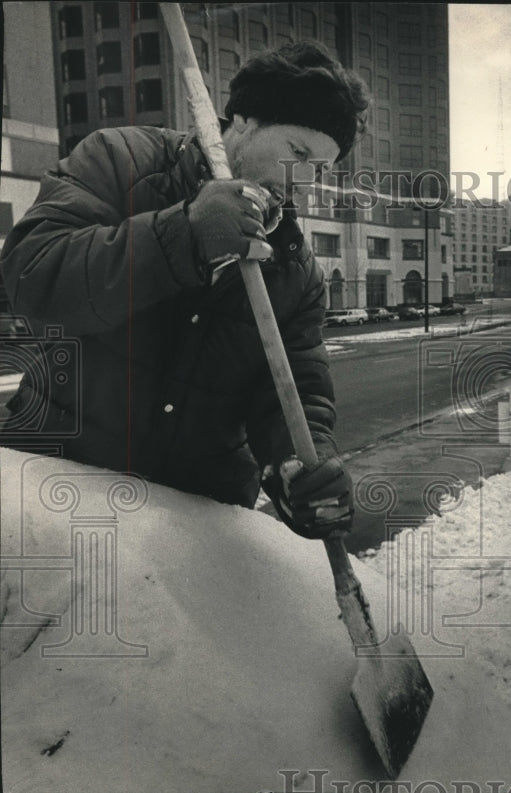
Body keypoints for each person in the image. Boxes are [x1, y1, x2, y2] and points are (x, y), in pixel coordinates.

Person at [0, 42, 369, 541]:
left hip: (191, 523)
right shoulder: (120, 160)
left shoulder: (294, 266)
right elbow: (32, 277)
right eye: (298, 153)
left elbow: (290, 382)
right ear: (242, 120)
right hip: (57, 489)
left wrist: (303, 462)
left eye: (321, 167)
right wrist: (184, 234)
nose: (303, 180)